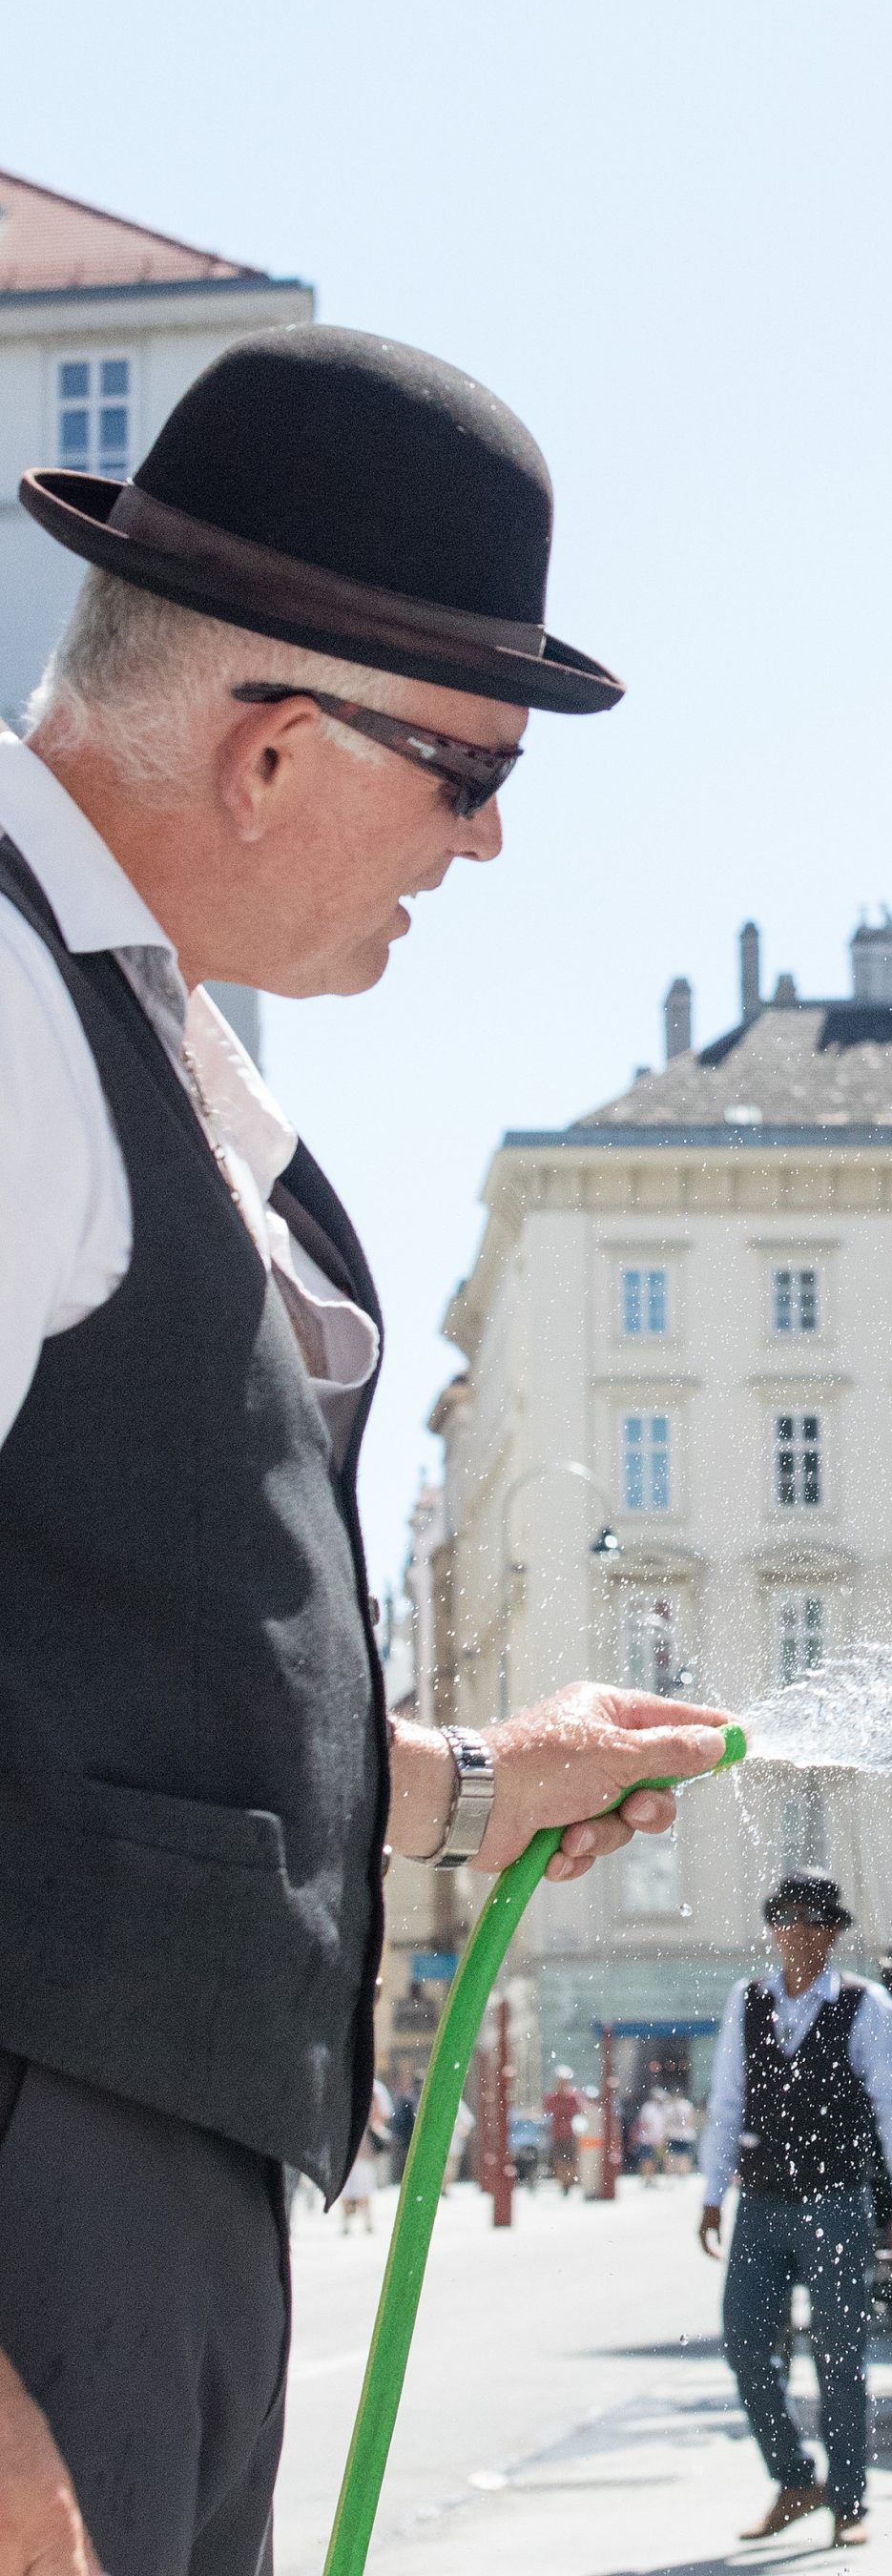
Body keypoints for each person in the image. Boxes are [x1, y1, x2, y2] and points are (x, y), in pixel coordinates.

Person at [0, 324, 733, 2576]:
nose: (493, 835)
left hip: (138, 2205)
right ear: (273, 748)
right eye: (468, 767)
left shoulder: (117, 1021)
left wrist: (472, 1781)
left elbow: (110, 1683)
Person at [699, 1876, 892, 2547]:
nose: (798, 1929)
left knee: (840, 2354)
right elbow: (726, 2104)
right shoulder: (746, 2001)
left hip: (835, 2201)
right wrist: (712, 2195)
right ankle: (796, 2478)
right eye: (785, 1917)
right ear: (772, 1928)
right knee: (744, 2343)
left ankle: (849, 2501)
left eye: (812, 1918)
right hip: (763, 2203)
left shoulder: (867, 2005)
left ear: (833, 1931)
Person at [340, 2078, 393, 2235]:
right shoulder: (375, 2088)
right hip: (363, 2147)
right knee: (363, 2187)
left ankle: (347, 2223)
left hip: (347, 2147)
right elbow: (383, 2115)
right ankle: (367, 2221)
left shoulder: (343, 2084)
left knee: (346, 2188)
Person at [543, 2065, 585, 2195]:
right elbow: (546, 2111)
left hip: (570, 2133)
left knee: (571, 2160)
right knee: (559, 2161)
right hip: (556, 2133)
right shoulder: (552, 2097)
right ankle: (564, 2184)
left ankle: (569, 2182)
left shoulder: (573, 2097)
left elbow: (580, 2111)